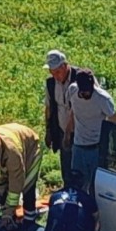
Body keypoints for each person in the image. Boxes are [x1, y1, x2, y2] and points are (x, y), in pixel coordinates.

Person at [43, 49, 97, 186]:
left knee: (84, 170)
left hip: (83, 132)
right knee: (66, 167)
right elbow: (49, 108)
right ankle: (69, 193)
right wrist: (48, 130)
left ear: (65, 65)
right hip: (62, 130)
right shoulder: (50, 84)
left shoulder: (82, 78)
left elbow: (96, 100)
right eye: (52, 72)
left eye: (57, 72)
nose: (55, 76)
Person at [0, 123, 42, 225]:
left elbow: (16, 185)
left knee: (27, 186)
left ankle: (29, 220)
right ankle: (12, 220)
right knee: (5, 189)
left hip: (31, 148)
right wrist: (2, 191)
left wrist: (8, 213)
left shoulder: (12, 153)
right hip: (15, 138)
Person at [64, 69, 116, 192]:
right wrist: (67, 134)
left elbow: (115, 123)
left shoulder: (103, 99)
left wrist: (114, 150)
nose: (86, 94)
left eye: (89, 91)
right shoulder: (72, 91)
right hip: (78, 146)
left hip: (97, 148)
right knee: (77, 183)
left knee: (96, 187)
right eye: (83, 92)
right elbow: (72, 112)